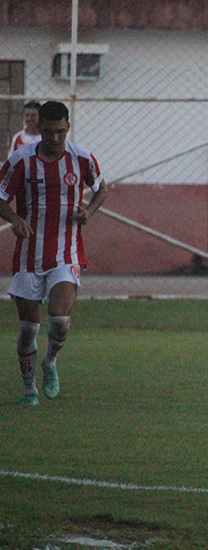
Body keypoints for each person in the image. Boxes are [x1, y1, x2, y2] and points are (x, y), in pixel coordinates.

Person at [0, 100, 108, 406]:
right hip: (28, 257)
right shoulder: (21, 160)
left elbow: (101, 189)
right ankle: (29, 390)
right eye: (48, 132)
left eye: (61, 131)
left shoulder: (82, 158)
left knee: (60, 320)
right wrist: (14, 219)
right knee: (28, 329)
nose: (55, 138)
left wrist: (89, 212)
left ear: (68, 127)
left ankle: (49, 361)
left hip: (66, 254)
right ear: (39, 128)